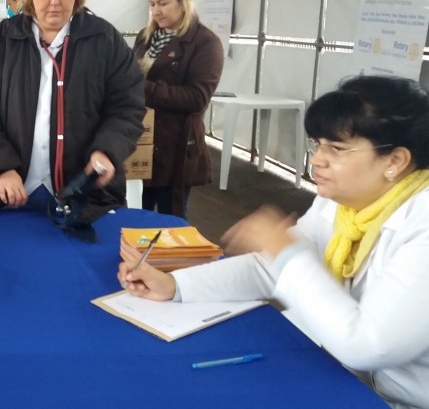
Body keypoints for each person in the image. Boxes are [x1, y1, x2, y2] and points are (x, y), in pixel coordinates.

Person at [118, 75, 429, 408]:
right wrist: (175, 285)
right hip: (347, 376)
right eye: (318, 144)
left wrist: (287, 252)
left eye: (336, 149)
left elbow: (367, 344)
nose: (317, 159)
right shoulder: (344, 203)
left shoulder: (421, 224)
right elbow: (272, 266)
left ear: (395, 161)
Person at [0, 0, 146, 223]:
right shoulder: (0, 42)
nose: (55, 2)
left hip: (85, 198)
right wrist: (1, 167)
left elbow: (127, 106)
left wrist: (107, 150)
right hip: (10, 197)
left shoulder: (105, 41)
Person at [132, 0, 224, 219]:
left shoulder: (205, 43)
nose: (156, 11)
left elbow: (197, 98)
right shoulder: (146, 37)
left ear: (184, 2)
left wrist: (141, 88)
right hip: (141, 142)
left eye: (163, 3)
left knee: (170, 223)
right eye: (152, 4)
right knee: (135, 218)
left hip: (176, 150)